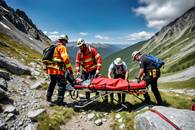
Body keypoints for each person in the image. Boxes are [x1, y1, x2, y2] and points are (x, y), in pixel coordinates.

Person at [45, 35, 73, 106]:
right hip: (57, 69)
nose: (66, 43)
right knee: (62, 84)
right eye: (65, 41)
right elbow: (66, 59)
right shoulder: (62, 47)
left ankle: (48, 97)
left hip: (50, 69)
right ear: (63, 40)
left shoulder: (54, 47)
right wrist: (70, 69)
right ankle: (60, 102)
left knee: (53, 82)